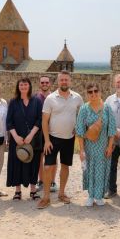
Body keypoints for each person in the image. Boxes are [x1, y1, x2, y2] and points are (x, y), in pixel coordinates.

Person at [37, 70, 83, 209]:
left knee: (65, 166)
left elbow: (81, 115)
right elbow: (44, 121)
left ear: (70, 81)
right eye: (62, 80)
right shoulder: (50, 98)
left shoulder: (77, 98)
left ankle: (61, 193)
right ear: (58, 81)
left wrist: (78, 127)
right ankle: (46, 197)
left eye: (66, 80)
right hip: (52, 138)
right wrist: (46, 140)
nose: (64, 82)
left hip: (69, 138)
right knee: (47, 166)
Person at [76, 83, 116, 206]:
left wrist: (110, 147)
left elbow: (112, 129)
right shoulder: (83, 109)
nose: (93, 94)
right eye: (90, 92)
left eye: (95, 91)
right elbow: (80, 131)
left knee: (101, 170)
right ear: (87, 94)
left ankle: (99, 196)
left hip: (103, 146)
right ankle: (90, 195)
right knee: (89, 170)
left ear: (100, 92)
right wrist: (81, 150)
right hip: (89, 147)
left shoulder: (107, 108)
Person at [6, 77, 43, 201]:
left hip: (32, 138)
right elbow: (9, 121)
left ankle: (33, 190)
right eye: (21, 85)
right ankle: (18, 191)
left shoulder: (37, 101)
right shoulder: (13, 102)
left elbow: (39, 120)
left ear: (29, 86)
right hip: (17, 139)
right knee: (17, 163)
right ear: (18, 87)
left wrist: (31, 135)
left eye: (25, 85)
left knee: (33, 163)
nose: (23, 87)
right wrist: (15, 137)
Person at [35, 75, 58, 193]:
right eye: (42, 82)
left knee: (53, 157)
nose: (44, 84)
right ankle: (41, 180)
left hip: (52, 132)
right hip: (39, 133)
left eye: (46, 82)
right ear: (40, 84)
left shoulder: (55, 97)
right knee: (40, 157)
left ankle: (53, 181)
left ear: (50, 84)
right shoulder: (35, 98)